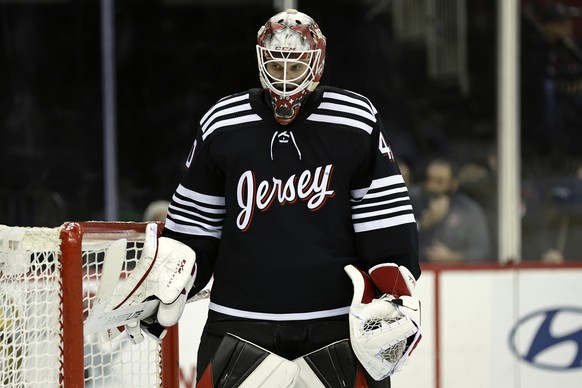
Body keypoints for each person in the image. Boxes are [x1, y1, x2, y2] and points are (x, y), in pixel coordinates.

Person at [159, 9, 421, 387]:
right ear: (260, 61)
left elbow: (385, 220)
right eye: (275, 64)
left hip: (337, 324)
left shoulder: (353, 119)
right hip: (239, 321)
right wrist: (167, 285)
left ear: (316, 64)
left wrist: (395, 291)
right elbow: (193, 229)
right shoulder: (223, 121)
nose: (283, 78)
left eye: (295, 66)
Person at [410, 157, 491, 262]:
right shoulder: (412, 202)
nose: (432, 186)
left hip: (458, 275)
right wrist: (423, 224)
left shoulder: (469, 210)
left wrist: (453, 257)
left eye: (439, 182)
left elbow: (482, 251)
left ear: (453, 183)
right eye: (429, 179)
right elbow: (398, 243)